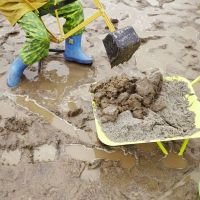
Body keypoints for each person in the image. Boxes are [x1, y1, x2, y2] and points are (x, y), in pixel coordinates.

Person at [0, 0, 93, 88]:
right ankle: (17, 67)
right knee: (40, 38)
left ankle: (73, 50)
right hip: (16, 3)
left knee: (75, 7)